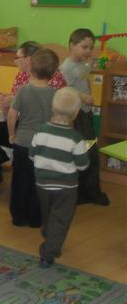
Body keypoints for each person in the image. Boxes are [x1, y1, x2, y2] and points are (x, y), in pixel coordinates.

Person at [0, 41, 67, 184]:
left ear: (29, 60)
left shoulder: (54, 79)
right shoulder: (21, 76)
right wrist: (5, 104)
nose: (15, 61)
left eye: (18, 57)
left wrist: (12, 106)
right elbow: (12, 112)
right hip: (21, 125)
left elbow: (50, 111)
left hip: (41, 131)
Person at [30, 87, 89, 268]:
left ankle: (50, 235)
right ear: (76, 113)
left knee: (48, 215)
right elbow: (83, 165)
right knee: (61, 219)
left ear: (52, 107)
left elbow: (32, 155)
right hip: (66, 188)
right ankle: (48, 253)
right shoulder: (76, 138)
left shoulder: (40, 131)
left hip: (42, 184)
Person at [7, 48, 59, 228]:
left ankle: (18, 217)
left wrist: (11, 134)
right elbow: (57, 120)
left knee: (20, 180)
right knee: (39, 182)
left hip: (23, 143)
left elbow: (12, 115)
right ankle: (36, 218)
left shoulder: (23, 90)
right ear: (53, 73)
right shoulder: (55, 94)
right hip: (44, 145)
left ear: (31, 67)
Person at [60, 28, 110, 206]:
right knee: (87, 153)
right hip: (77, 114)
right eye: (84, 47)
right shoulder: (66, 67)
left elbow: (84, 76)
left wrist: (92, 69)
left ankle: (87, 192)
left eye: (91, 47)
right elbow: (65, 89)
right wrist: (84, 97)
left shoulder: (82, 63)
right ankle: (87, 193)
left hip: (86, 113)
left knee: (89, 152)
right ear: (72, 46)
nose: (88, 51)